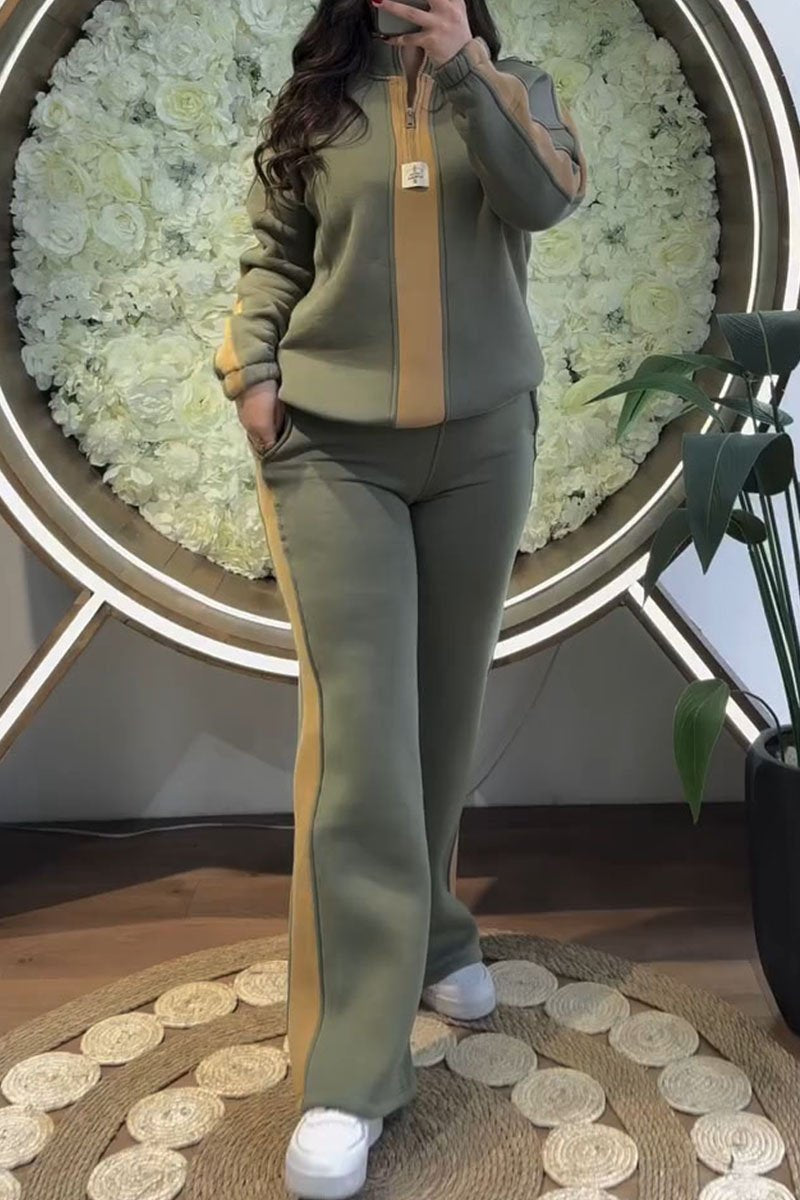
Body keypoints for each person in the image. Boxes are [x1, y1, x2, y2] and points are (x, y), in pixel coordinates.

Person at [214, 0, 587, 1194]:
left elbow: (544, 199)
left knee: (438, 717)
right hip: (333, 453)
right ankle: (350, 1069)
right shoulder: (319, 103)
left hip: (482, 448)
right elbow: (275, 256)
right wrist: (253, 372)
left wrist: (464, 68)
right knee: (361, 744)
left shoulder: (515, 88)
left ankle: (430, 933)